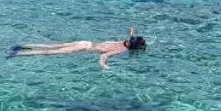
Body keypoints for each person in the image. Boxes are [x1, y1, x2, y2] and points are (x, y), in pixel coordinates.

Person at [9, 28, 147, 69]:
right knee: (50, 52)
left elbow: (131, 33)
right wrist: (104, 66)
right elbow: (103, 56)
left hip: (85, 42)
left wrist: (132, 30)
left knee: (53, 46)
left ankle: (22, 46)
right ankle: (18, 54)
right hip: (84, 49)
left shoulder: (124, 42)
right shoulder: (122, 50)